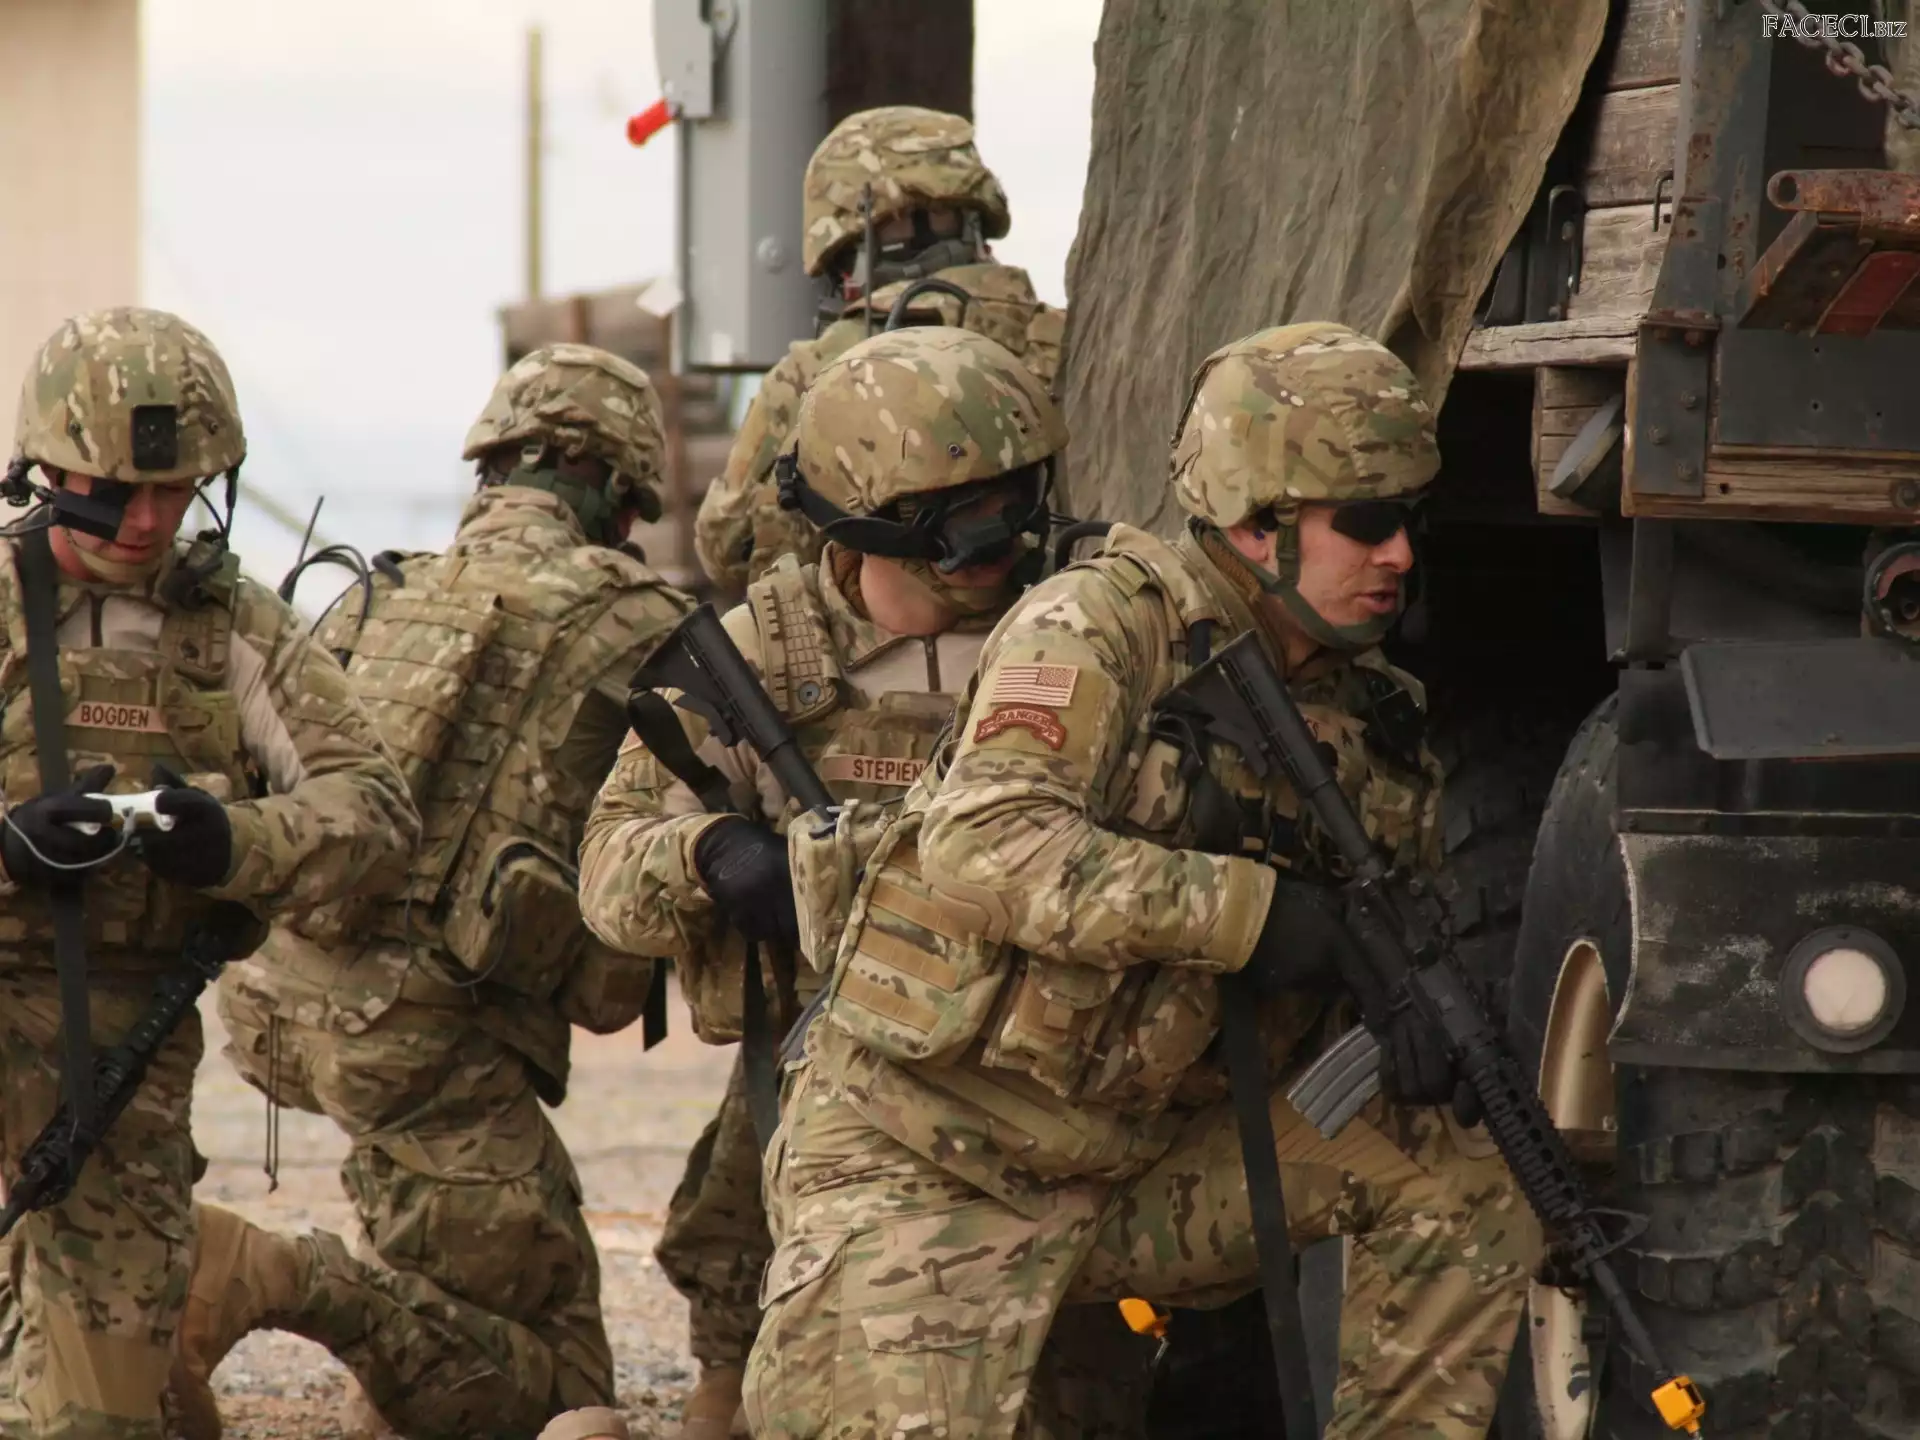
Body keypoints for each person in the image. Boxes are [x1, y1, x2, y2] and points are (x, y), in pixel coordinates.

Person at [743, 322, 1546, 1439]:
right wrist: (1262, 918)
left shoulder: (1375, 719)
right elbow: (990, 842)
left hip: (1140, 1164)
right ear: (1257, 525)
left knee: (1465, 1163)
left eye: (1412, 519)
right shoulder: (1100, 625)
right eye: (1365, 523)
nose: (1401, 555)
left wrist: (1394, 1002)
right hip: (931, 1156)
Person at [579, 326, 1150, 1440]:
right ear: (868, 520)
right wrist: (711, 855)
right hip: (834, 1084)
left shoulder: (1086, 632)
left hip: (1051, 1084)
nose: (998, 541)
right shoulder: (759, 659)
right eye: (960, 517)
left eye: (1015, 502)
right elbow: (607, 864)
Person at [168, 344, 693, 1439]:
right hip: (428, 1049)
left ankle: (364, 1345)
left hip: (280, 1006)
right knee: (558, 1395)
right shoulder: (639, 619)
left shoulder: (384, 587)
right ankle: (272, 1275)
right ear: (608, 484)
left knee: (487, 1302)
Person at [0, 306, 420, 1439]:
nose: (149, 522)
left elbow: (377, 812)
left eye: (177, 491)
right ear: (47, 470)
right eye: (118, 492)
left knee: (95, 1422)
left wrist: (235, 844)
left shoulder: (233, 627)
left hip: (116, 1058)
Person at [692, 104, 1068, 593]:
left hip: (883, 636)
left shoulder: (816, 369)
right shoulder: (1066, 334)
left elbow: (727, 548)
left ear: (843, 241)